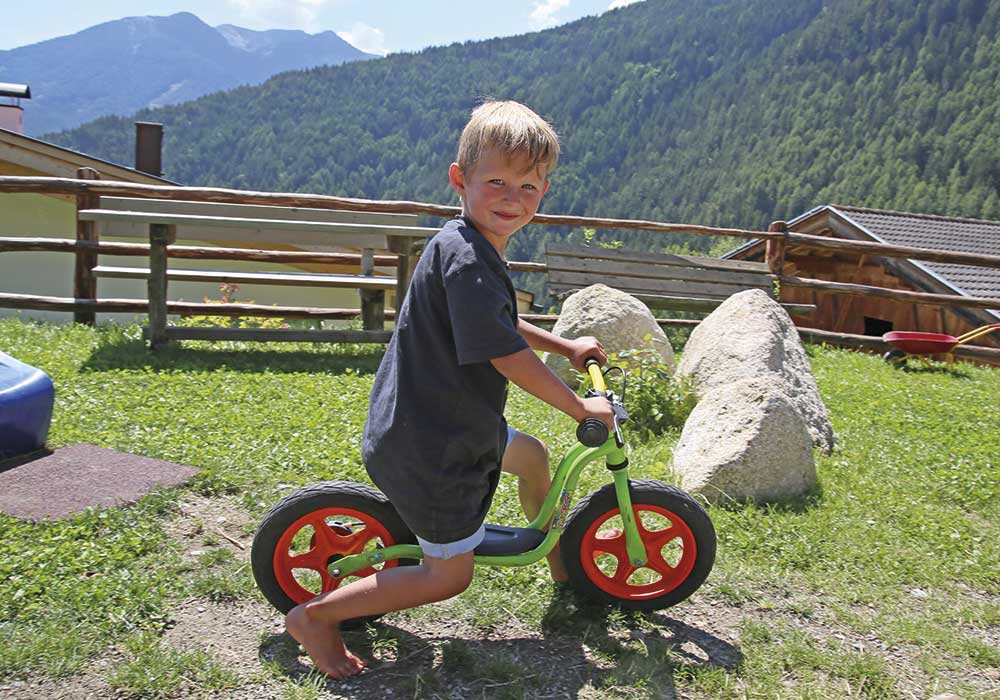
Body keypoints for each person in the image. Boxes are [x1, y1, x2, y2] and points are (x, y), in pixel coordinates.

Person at [285, 100, 615, 679]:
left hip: (440, 418)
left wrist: (566, 348)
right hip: (435, 445)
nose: (513, 197)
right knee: (449, 575)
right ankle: (315, 618)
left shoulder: (468, 245)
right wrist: (577, 405)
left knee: (533, 457)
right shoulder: (467, 258)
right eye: (497, 181)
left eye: (530, 186)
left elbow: (497, 320)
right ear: (459, 179)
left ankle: (558, 560)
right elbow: (504, 353)